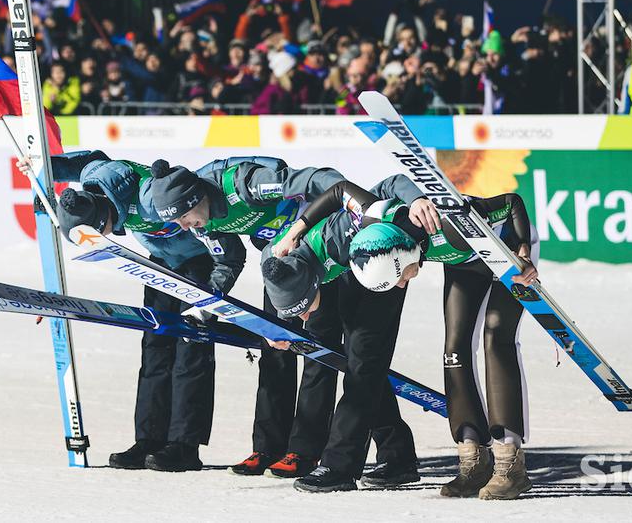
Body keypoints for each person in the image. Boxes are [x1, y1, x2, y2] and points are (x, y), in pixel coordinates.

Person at [290, 179, 539, 499]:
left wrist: (524, 253)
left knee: (496, 340)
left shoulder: (446, 225)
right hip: (463, 260)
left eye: (399, 277)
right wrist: (296, 232)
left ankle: (510, 465)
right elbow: (341, 194)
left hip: (509, 247)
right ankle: (473, 460)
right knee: (455, 350)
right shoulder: (375, 226)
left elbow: (512, 202)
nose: (400, 287)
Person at [21, 151, 245, 473]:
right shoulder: (96, 179)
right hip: (159, 264)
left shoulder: (149, 200)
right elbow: (90, 159)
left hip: (199, 266)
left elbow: (215, 228)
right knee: (154, 348)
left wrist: (214, 289)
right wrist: (45, 166)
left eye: (98, 234)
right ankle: (149, 439)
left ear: (104, 216)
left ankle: (184, 445)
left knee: (190, 352)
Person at [145, 157, 345, 479]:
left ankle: (304, 451)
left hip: (324, 255)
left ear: (196, 200)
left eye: (184, 216)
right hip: (282, 265)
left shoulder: (244, 185)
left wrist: (333, 210)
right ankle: (267, 447)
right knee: (275, 348)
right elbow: (228, 262)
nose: (182, 226)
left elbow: (314, 179)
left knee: (316, 351)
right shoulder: (202, 223)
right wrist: (203, 304)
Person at [260, 177, 441, 493]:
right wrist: (283, 326)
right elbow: (282, 287)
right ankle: (396, 453)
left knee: (363, 365)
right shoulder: (279, 256)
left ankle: (339, 466)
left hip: (383, 265)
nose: (303, 317)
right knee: (355, 364)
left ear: (311, 286)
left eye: (301, 311)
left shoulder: (346, 230)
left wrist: (416, 199)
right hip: (348, 272)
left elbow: (364, 186)